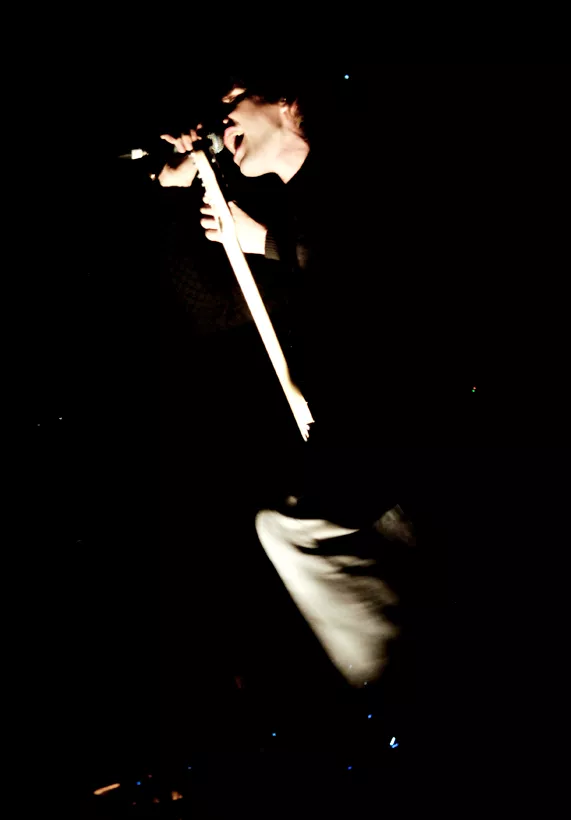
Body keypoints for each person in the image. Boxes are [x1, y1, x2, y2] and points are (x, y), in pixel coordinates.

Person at [156, 73, 420, 712]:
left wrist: (261, 240)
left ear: (286, 99)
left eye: (231, 102)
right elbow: (224, 303)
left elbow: (373, 262)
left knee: (295, 532)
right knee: (292, 529)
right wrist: (185, 173)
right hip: (350, 429)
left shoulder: (353, 171)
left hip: (406, 423)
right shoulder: (295, 203)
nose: (222, 120)